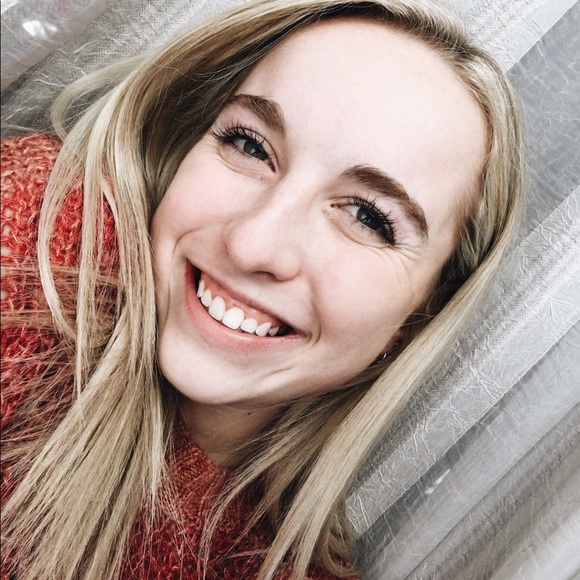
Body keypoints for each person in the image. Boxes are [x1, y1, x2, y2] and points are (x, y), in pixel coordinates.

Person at [0, 0, 523, 578]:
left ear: (422, 311)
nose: (252, 245)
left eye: (368, 217)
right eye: (250, 145)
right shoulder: (35, 234)